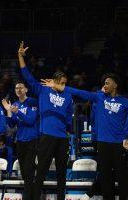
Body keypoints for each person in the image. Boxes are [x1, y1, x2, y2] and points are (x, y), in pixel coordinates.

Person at [42, 73, 128, 200]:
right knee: (106, 179)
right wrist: (58, 86)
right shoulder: (99, 98)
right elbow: (79, 92)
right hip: (103, 143)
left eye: (107, 83)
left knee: (122, 178)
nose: (104, 85)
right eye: (104, 83)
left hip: (119, 144)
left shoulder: (126, 102)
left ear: (115, 85)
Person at [18, 42, 73, 200]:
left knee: (61, 173)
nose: (63, 86)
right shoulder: (43, 89)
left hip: (62, 138)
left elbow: (69, 115)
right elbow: (27, 75)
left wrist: (68, 130)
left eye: (65, 84)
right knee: (41, 171)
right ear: (54, 81)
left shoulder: (68, 95)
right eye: (61, 83)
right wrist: (20, 57)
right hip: (46, 136)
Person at [1, 81, 40, 200]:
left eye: (21, 87)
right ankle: (33, 195)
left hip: (32, 140)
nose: (18, 89)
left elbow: (31, 121)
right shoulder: (16, 104)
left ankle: (27, 197)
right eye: (16, 88)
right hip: (20, 141)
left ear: (26, 90)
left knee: (28, 170)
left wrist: (17, 112)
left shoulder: (33, 102)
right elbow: (13, 124)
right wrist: (8, 111)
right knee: (24, 171)